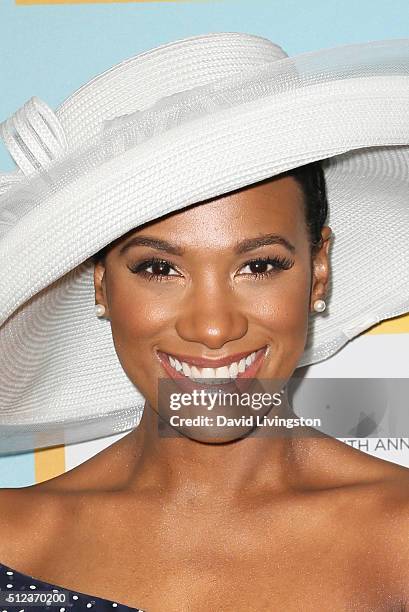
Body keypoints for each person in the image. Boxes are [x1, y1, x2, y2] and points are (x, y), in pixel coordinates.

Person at [0, 32, 409, 611]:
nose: (212, 328)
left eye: (259, 265)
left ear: (318, 271)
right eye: (160, 268)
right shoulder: (11, 544)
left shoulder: (400, 539)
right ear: (101, 283)